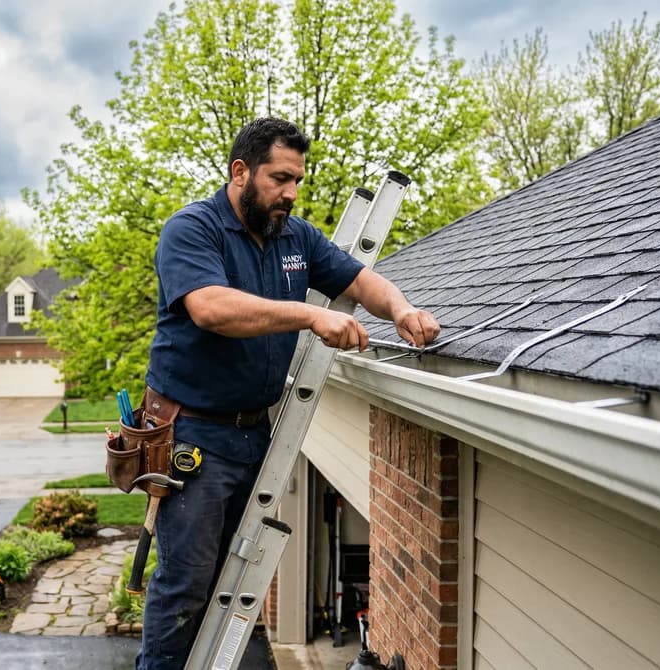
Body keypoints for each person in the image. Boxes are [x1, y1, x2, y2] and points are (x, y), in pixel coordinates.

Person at [136, 117, 439, 669]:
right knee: (185, 588)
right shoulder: (192, 230)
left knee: (233, 580)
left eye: (297, 179)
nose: (291, 193)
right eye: (279, 178)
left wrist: (400, 308)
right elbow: (211, 309)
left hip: (253, 434)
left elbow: (357, 279)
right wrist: (309, 315)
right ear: (240, 172)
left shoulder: (293, 237)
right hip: (192, 437)